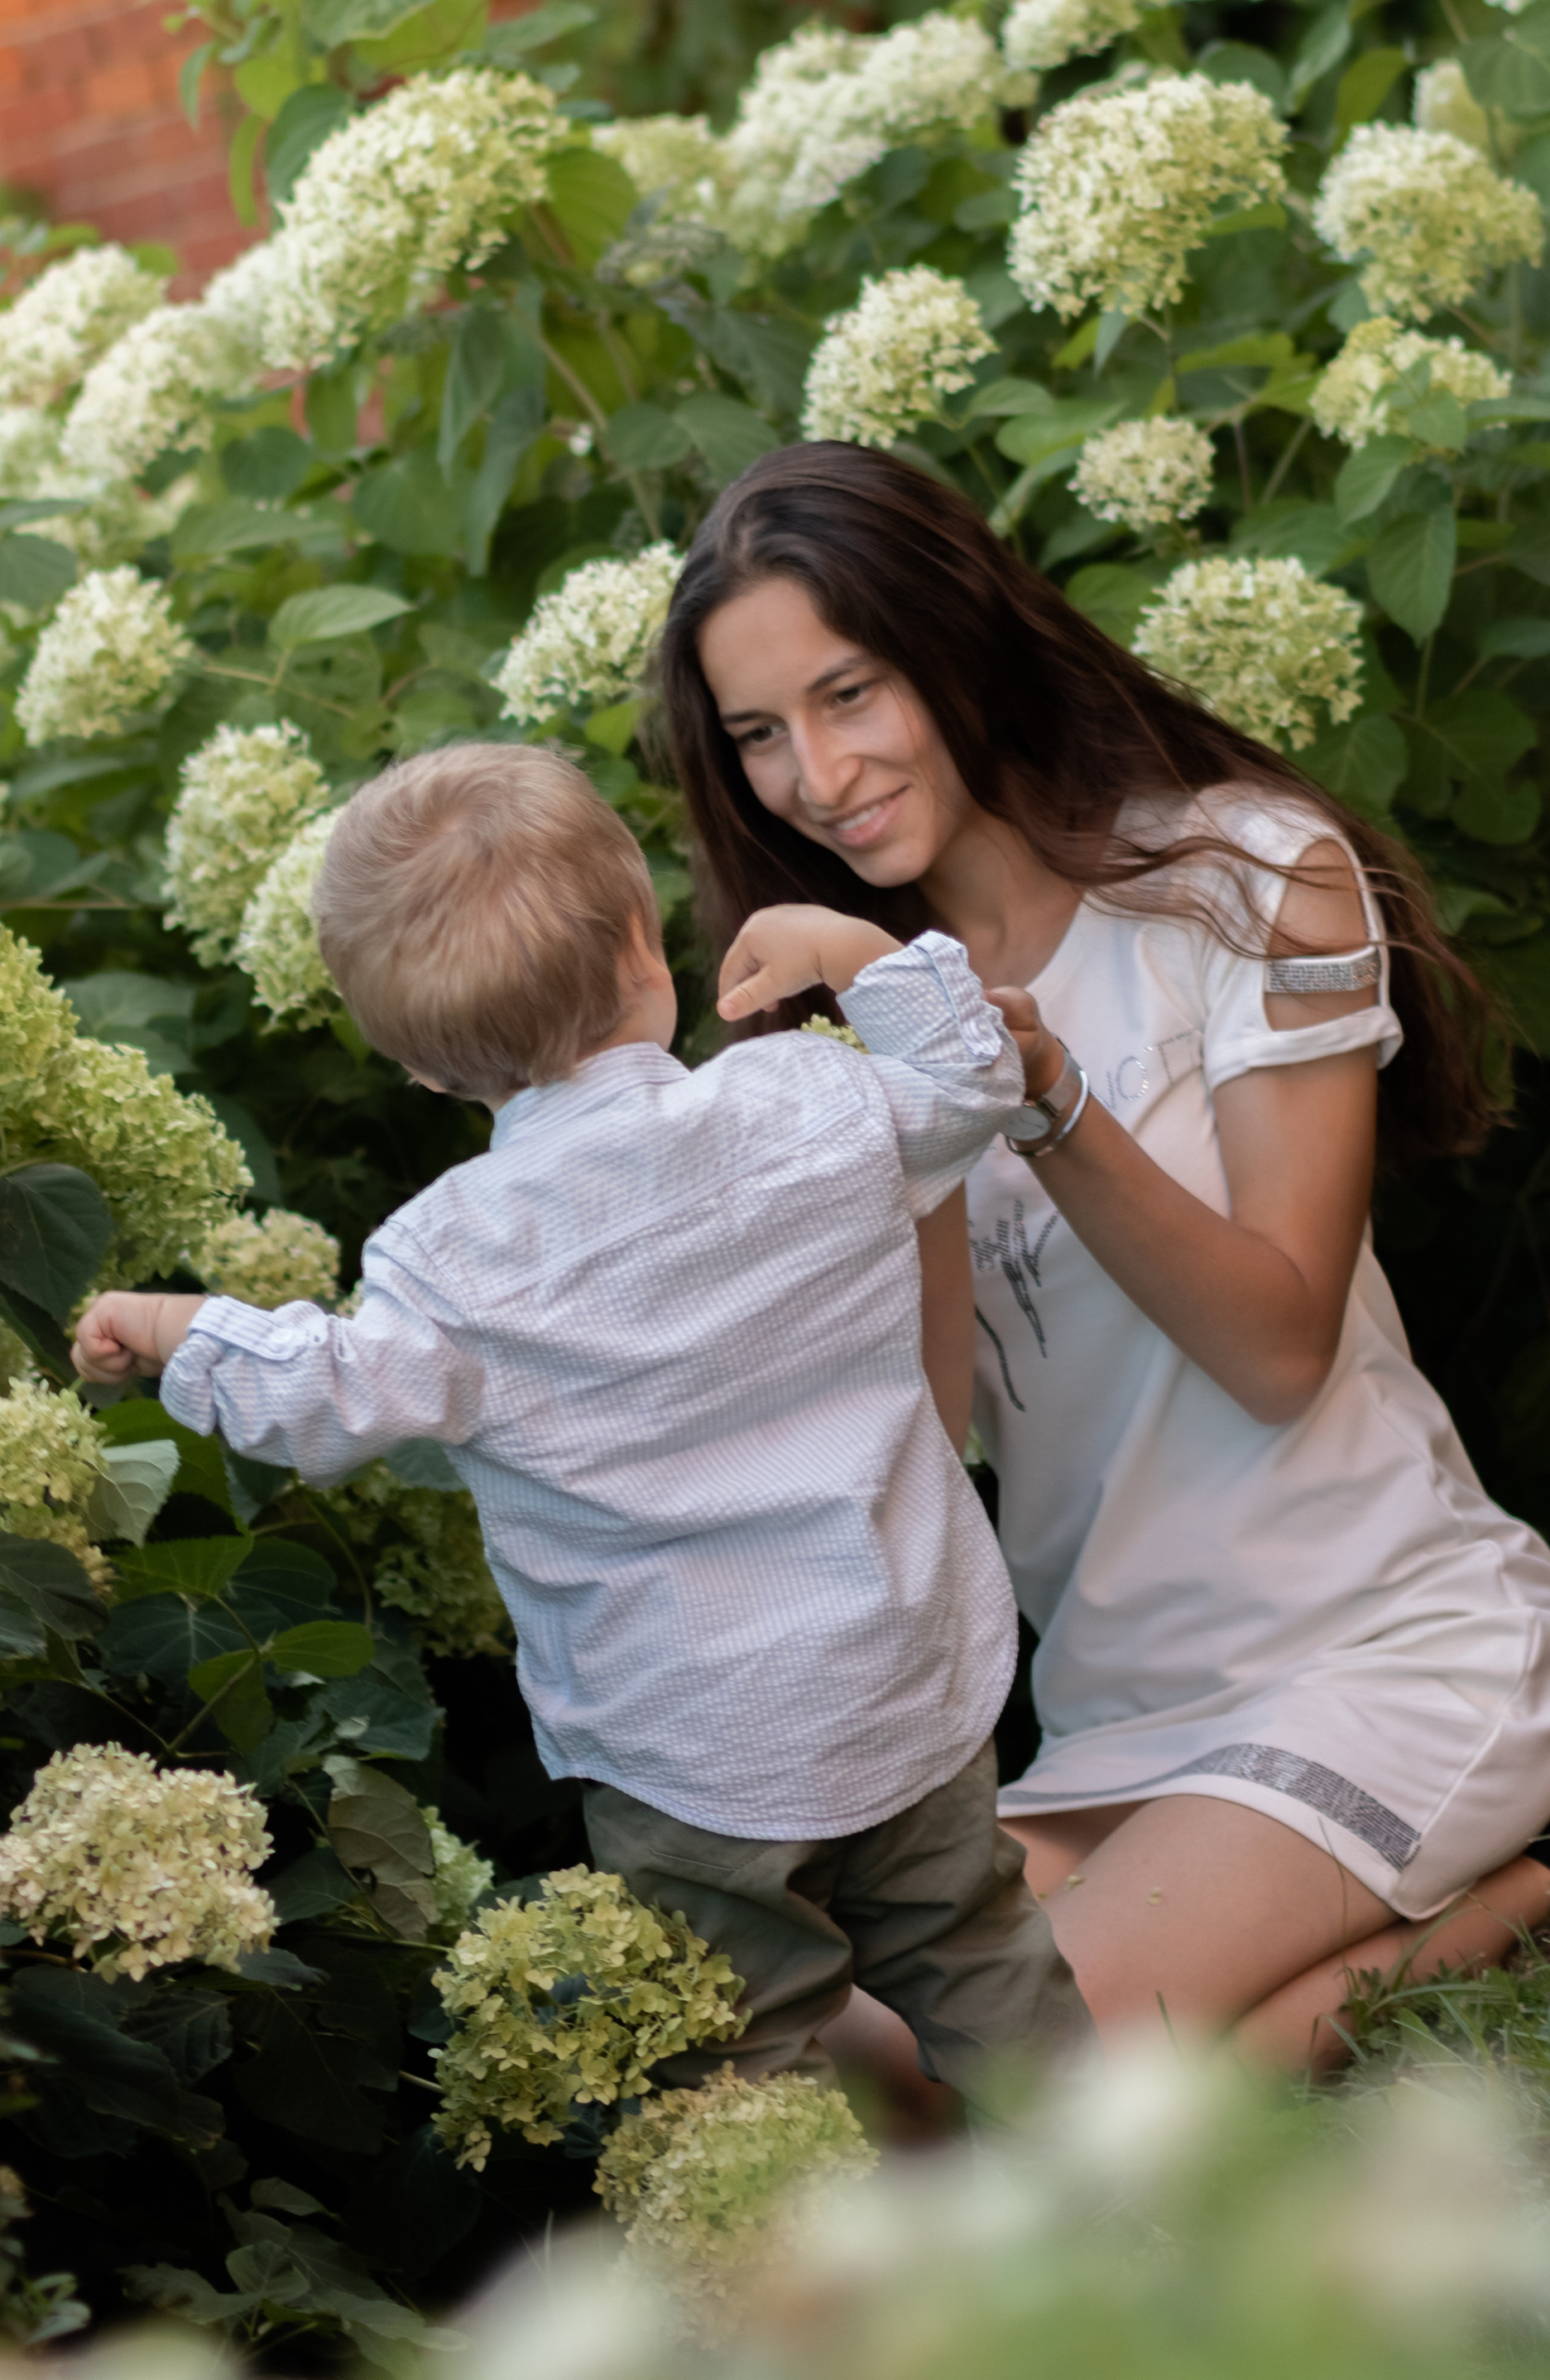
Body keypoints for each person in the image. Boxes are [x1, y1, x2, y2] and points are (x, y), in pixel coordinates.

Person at [659, 442, 1550, 2079]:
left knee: (1005, 2080)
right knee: (825, 2067)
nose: (815, 772)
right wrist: (908, 1099)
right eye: (758, 738)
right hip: (1119, 1722)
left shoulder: (1248, 879)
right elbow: (932, 1435)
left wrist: (1037, 1091)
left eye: (848, 694)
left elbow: (1278, 1344)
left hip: (1376, 1649)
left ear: (952, 638)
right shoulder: (863, 1016)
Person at [74, 739, 1092, 2108]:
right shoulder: (811, 1104)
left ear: (422, 1072)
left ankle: (786, 2289)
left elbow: (316, 1396)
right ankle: (1131, 2213)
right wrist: (855, 947)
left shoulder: (454, 1262)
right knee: (984, 1960)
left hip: (691, 1750)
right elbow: (977, 1082)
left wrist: (174, 1328)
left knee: (740, 2060)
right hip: (901, 1665)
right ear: (643, 941)